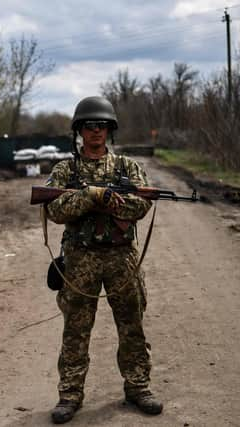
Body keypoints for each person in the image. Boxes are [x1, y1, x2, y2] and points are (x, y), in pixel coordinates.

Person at [44, 96, 163, 424]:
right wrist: (88, 196)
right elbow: (54, 210)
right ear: (79, 131)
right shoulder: (66, 170)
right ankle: (69, 394)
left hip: (121, 256)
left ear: (110, 130)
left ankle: (138, 387)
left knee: (132, 325)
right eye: (89, 126)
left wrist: (109, 202)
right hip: (80, 258)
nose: (95, 132)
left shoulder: (127, 167)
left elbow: (141, 205)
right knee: (76, 329)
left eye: (101, 126)